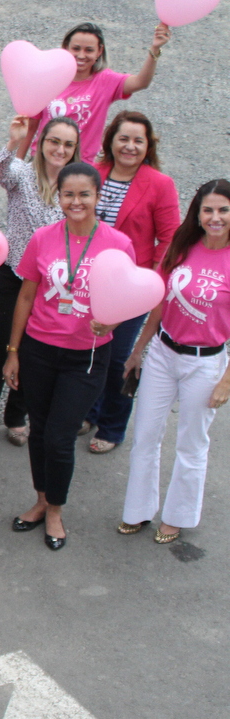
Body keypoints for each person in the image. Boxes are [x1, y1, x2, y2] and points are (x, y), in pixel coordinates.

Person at [3, 164, 137, 550]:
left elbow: (130, 298)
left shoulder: (118, 243)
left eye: (84, 194)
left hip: (86, 357)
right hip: (39, 350)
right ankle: (41, 499)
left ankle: (56, 510)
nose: (76, 201)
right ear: (58, 196)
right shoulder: (43, 238)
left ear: (97, 196)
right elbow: (26, 296)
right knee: (40, 430)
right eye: (68, 194)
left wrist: (110, 322)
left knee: (60, 437)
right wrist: (13, 352)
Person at [121, 180, 230, 543]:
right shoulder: (181, 248)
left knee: (191, 444)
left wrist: (226, 380)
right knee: (145, 436)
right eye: (208, 210)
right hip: (163, 354)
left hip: (205, 363)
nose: (215, 217)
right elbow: (159, 304)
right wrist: (138, 350)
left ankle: (178, 516)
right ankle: (138, 510)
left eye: (223, 210)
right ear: (197, 214)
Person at [0, 117, 77, 451]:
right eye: (54, 141)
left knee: (34, 351)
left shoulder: (74, 185)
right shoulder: (23, 173)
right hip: (14, 274)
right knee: (4, 347)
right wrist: (14, 139)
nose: (60, 149)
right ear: (42, 142)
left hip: (50, 283)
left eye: (68, 144)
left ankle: (16, 416)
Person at [84, 111, 180, 452]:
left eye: (138, 140)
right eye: (123, 138)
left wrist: (152, 282)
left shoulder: (160, 184)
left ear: (148, 146)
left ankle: (112, 425)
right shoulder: (93, 173)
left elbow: (169, 238)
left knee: (118, 356)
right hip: (88, 279)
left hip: (132, 286)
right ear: (111, 140)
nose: (130, 146)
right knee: (88, 348)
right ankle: (89, 411)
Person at [27, 22, 172, 163]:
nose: (81, 55)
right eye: (76, 48)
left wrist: (155, 49)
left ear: (99, 51)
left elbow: (141, 82)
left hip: (79, 166)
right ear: (66, 48)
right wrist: (19, 162)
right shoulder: (49, 79)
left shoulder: (105, 80)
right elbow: (31, 125)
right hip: (42, 160)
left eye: (89, 50)